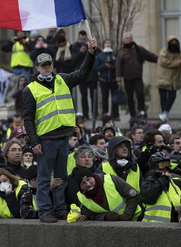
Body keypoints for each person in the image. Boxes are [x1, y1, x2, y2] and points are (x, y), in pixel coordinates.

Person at [23, 37, 96, 223]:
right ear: (37, 68)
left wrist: (91, 53)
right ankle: (44, 211)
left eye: (49, 64)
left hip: (63, 137)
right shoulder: (30, 89)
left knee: (61, 178)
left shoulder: (62, 80)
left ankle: (60, 209)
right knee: (45, 179)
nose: (47, 67)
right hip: (45, 140)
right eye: (43, 65)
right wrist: (34, 142)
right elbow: (28, 119)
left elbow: (82, 73)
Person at [72, 167, 141, 221]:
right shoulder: (81, 197)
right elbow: (91, 215)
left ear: (93, 176)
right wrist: (105, 216)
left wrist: (126, 216)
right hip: (111, 228)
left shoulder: (111, 179)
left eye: (89, 179)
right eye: (83, 183)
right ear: (80, 187)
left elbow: (133, 196)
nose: (88, 184)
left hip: (135, 218)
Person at [116, 32, 158, 118]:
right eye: (127, 38)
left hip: (138, 77)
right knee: (130, 97)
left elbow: (149, 56)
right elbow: (118, 66)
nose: (129, 39)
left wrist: (160, 60)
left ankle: (141, 112)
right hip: (127, 78)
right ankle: (133, 115)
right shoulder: (121, 52)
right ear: (123, 40)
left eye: (130, 38)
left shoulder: (139, 49)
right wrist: (119, 79)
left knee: (140, 94)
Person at [140, 152, 181, 223]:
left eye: (168, 165)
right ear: (154, 167)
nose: (166, 168)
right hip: (152, 227)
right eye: (162, 165)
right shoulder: (147, 182)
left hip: (173, 226)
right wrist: (163, 179)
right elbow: (149, 197)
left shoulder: (173, 183)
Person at [156, 36, 181, 122]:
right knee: (163, 97)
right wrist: (177, 62)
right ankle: (164, 114)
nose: (173, 44)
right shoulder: (163, 52)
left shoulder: (180, 53)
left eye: (175, 42)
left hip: (174, 79)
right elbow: (164, 62)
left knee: (172, 96)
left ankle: (165, 113)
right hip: (163, 78)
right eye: (171, 42)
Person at [95, 39, 119, 120]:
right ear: (104, 45)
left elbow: (118, 66)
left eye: (109, 43)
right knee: (104, 98)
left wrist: (112, 66)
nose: (108, 45)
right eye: (106, 43)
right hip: (103, 80)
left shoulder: (115, 54)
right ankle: (105, 114)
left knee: (114, 98)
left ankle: (115, 114)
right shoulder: (100, 56)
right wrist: (105, 66)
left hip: (113, 80)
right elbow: (96, 68)